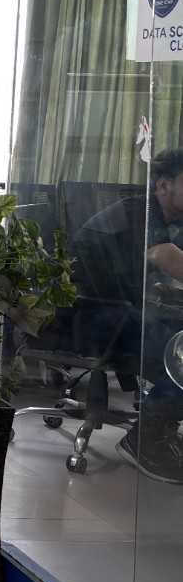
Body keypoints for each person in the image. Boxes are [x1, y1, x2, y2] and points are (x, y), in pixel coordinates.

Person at [71, 149, 183, 482]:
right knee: (178, 354)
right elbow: (167, 257)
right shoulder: (141, 212)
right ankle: (146, 436)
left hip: (125, 308)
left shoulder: (170, 218)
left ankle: (160, 427)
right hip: (92, 313)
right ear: (163, 186)